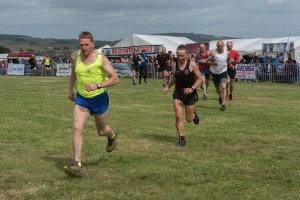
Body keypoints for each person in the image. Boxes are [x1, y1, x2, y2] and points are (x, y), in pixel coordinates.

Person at [63, 31, 120, 178]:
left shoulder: (101, 59)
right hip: (82, 98)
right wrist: (70, 89)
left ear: (93, 44)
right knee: (77, 127)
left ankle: (112, 135)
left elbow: (115, 78)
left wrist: (98, 85)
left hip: (99, 98)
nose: (84, 47)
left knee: (102, 131)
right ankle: (76, 164)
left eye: (87, 44)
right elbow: (74, 73)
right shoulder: (76, 57)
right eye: (81, 44)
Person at [163, 44, 202, 147]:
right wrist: (168, 87)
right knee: (178, 115)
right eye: (178, 55)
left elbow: (200, 79)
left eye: (182, 56)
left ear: (187, 55)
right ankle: (181, 138)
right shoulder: (174, 64)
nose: (180, 58)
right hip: (178, 93)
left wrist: (192, 88)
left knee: (189, 119)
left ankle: (194, 115)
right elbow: (175, 78)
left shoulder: (192, 64)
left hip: (190, 93)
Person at [207, 40, 230, 111]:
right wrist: (213, 63)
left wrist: (230, 64)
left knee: (224, 87)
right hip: (215, 73)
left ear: (223, 46)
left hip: (223, 71)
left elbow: (228, 60)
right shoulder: (213, 53)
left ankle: (223, 104)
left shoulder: (227, 52)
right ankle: (220, 95)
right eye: (218, 46)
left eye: (221, 46)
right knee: (218, 90)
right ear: (216, 46)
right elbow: (207, 61)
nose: (219, 47)